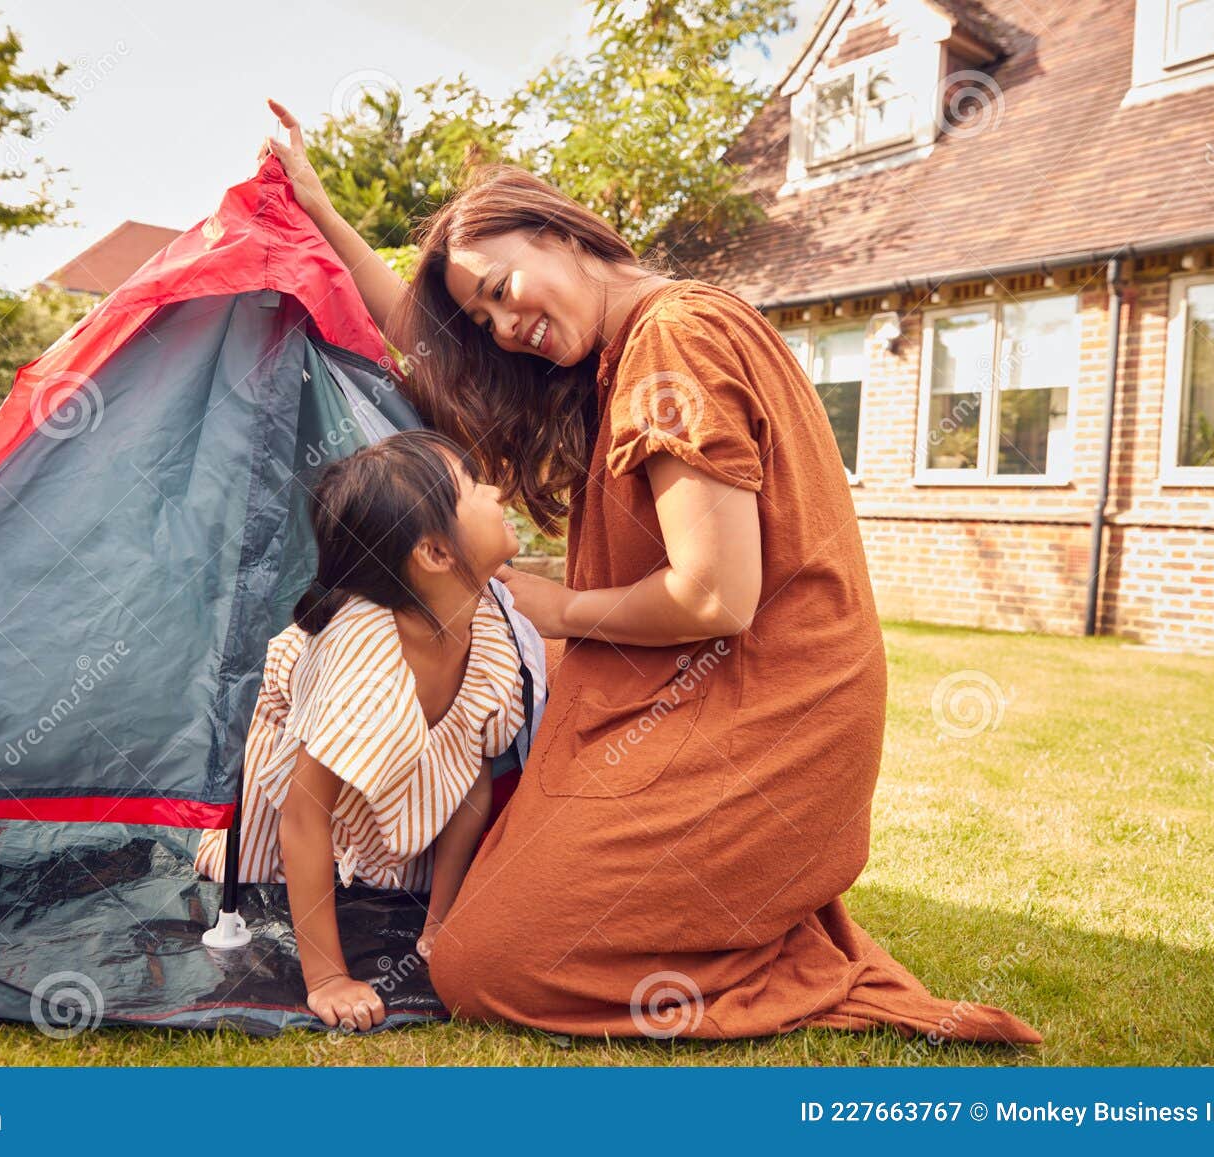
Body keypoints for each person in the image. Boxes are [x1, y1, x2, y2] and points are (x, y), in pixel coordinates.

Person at [257, 100, 1042, 1044]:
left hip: (762, 714)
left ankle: (798, 965)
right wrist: (321, 211)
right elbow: (432, 348)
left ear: (557, 231)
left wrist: (557, 606)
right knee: (482, 916)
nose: (505, 327)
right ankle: (748, 918)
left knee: (480, 963)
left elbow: (716, 596)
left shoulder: (673, 341)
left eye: (505, 288)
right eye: (487, 314)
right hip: (687, 702)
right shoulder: (625, 348)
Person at [195, 429, 526, 1031]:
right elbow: (303, 811)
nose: (497, 490)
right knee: (266, 886)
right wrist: (326, 977)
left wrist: (440, 921)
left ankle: (394, 884)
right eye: (474, 487)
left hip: (399, 808)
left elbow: (471, 781)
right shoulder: (362, 653)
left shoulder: (488, 629)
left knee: (392, 892)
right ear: (435, 553)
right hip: (292, 817)